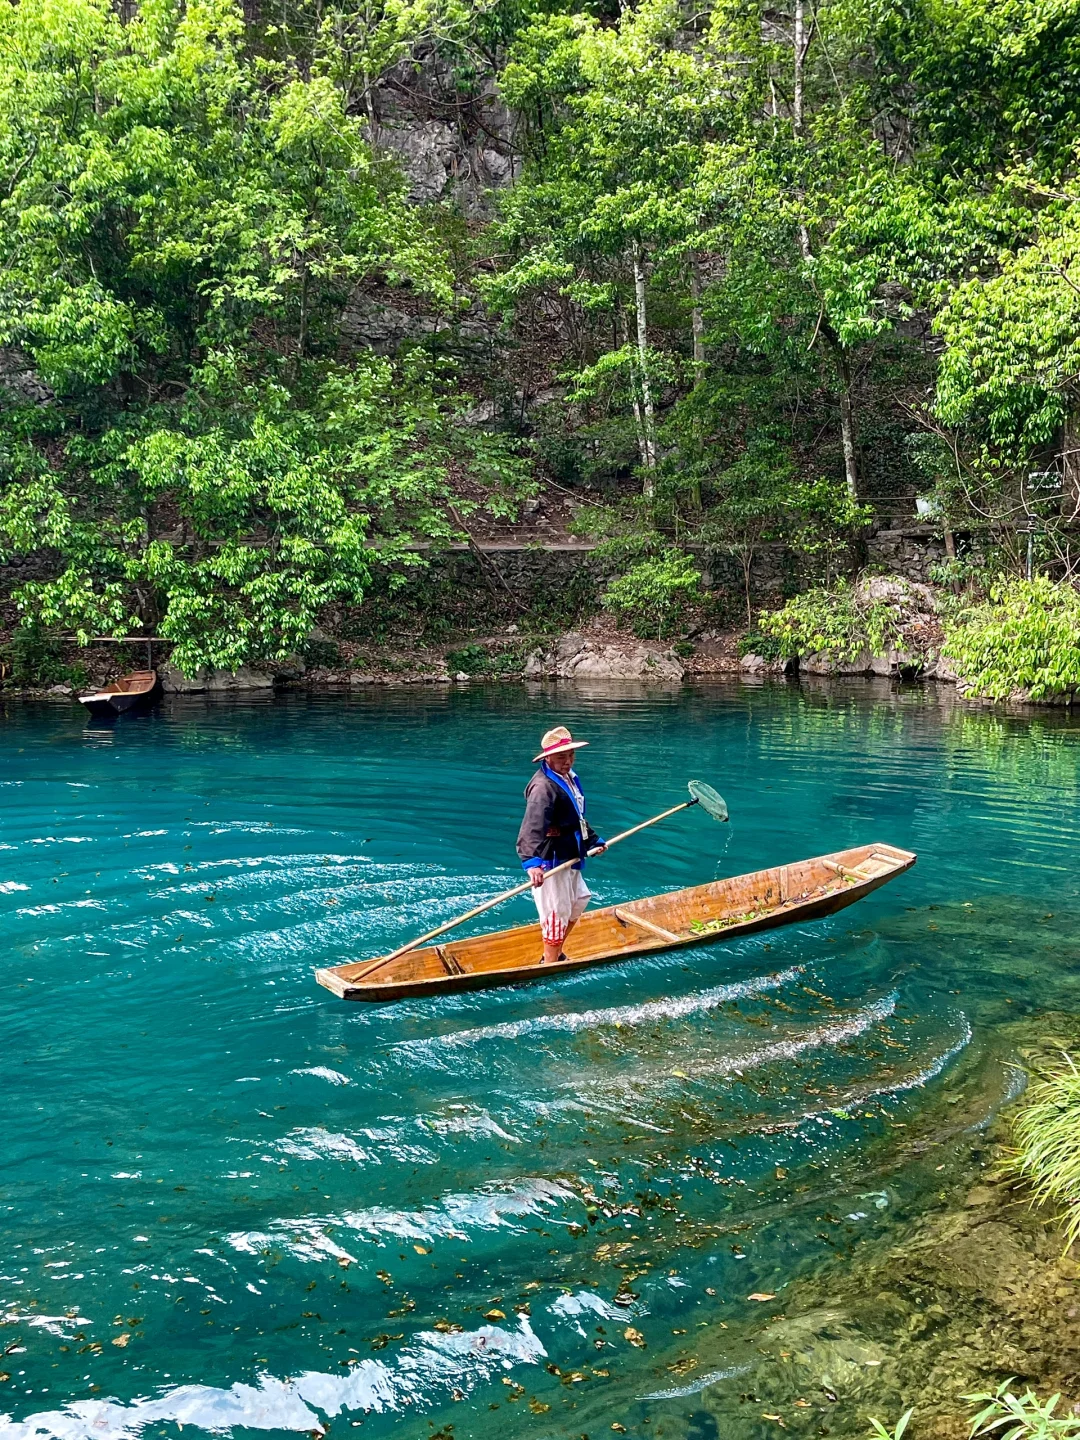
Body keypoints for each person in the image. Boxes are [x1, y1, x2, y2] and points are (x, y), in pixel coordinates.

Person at [516, 726, 605, 965]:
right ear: (547, 758)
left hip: (569, 852)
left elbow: (575, 817)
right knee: (556, 913)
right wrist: (532, 863)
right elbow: (532, 826)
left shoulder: (570, 778)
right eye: (561, 757)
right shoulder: (543, 788)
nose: (567, 762)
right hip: (551, 858)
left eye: (570, 756)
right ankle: (551, 963)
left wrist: (593, 840)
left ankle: (553, 955)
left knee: (578, 901)